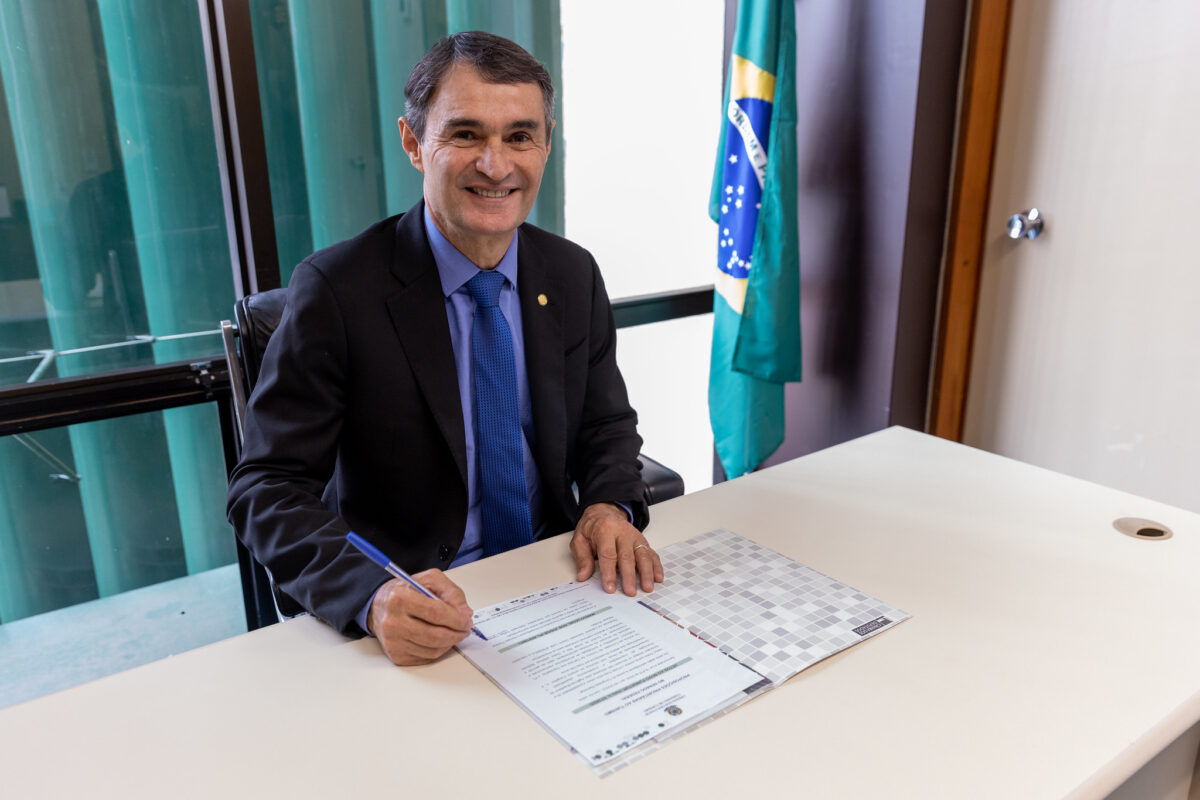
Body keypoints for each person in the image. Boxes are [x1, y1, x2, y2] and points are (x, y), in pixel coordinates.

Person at [226, 31, 662, 667]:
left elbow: (606, 426)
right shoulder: (338, 291)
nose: (495, 164)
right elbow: (267, 487)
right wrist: (370, 595)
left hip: (557, 584)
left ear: (545, 144)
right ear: (412, 142)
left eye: (519, 135)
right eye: (464, 135)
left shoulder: (571, 274)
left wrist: (605, 505)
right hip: (417, 604)